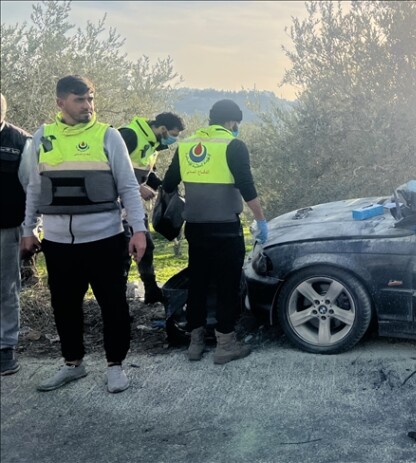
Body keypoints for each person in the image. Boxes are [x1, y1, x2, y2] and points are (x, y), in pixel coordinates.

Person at [20, 75, 148, 393]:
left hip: (105, 239)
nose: (88, 106)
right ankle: (73, 364)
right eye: (80, 100)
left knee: (114, 305)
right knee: (64, 306)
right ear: (61, 103)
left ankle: (115, 366)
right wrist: (28, 230)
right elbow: (34, 189)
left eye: (91, 98)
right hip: (59, 243)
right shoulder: (43, 137)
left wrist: (139, 230)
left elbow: (129, 187)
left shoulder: (109, 136)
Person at [161, 99, 266, 365]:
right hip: (226, 229)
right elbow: (246, 186)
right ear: (232, 122)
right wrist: (261, 220)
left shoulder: (186, 146)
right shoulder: (234, 145)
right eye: (237, 124)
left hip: (195, 228)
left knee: (198, 282)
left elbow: (169, 183)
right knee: (227, 286)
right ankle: (225, 345)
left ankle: (195, 344)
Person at [118, 112, 185, 304]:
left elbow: (148, 174)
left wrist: (165, 187)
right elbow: (110, 168)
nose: (173, 139)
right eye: (173, 134)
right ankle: (118, 301)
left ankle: (151, 291)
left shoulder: (153, 145)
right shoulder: (129, 135)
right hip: (116, 206)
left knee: (145, 246)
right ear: (162, 128)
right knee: (122, 253)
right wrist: (139, 188)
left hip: (133, 205)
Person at [0, 93, 33, 376]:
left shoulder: (21, 142)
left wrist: (31, 228)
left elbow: (31, 187)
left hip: (6, 226)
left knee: (6, 288)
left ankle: (5, 346)